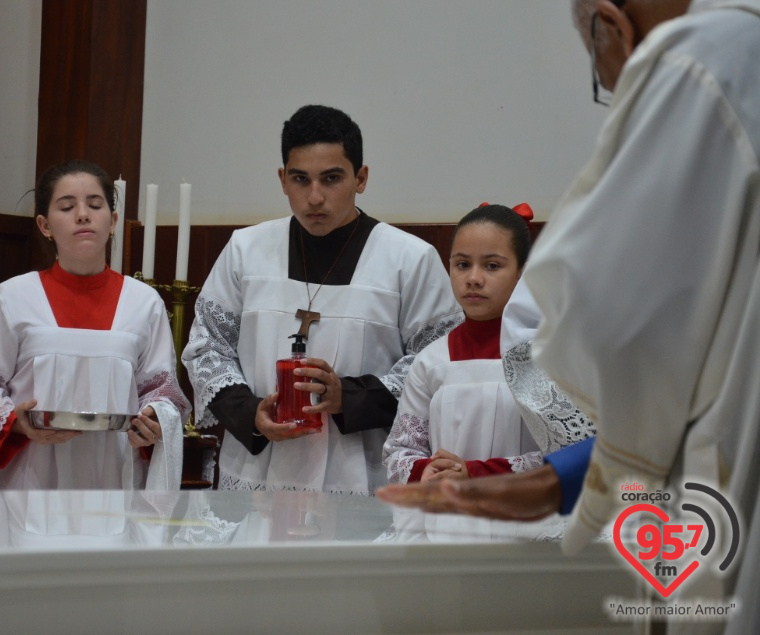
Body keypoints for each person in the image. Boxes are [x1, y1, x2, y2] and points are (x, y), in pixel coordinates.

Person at [382, 2, 760, 631]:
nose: (611, 86)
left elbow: (618, 313)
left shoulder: (698, 63)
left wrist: (562, 477)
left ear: (608, 25)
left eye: (597, 71)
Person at [182, 104, 462, 495]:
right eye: (300, 179)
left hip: (362, 471)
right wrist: (252, 412)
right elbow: (207, 347)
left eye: (331, 179)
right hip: (256, 471)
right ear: (282, 180)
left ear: (361, 178)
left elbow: (435, 361)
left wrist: (347, 396)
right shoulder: (246, 249)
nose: (314, 197)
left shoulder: (409, 259)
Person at [0, 160, 190, 490]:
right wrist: (17, 423)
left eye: (95, 205)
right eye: (67, 206)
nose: (83, 214)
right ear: (44, 225)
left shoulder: (143, 303)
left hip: (115, 482)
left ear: (113, 221)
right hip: (28, 484)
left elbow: (162, 393)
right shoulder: (13, 297)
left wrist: (155, 419)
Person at [383, 203, 540, 486]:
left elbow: (569, 455)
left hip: (525, 516)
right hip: (446, 516)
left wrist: (476, 473)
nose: (474, 279)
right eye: (462, 264)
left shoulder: (545, 356)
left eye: (492, 266)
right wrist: (427, 471)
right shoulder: (431, 360)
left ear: (521, 272)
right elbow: (400, 452)